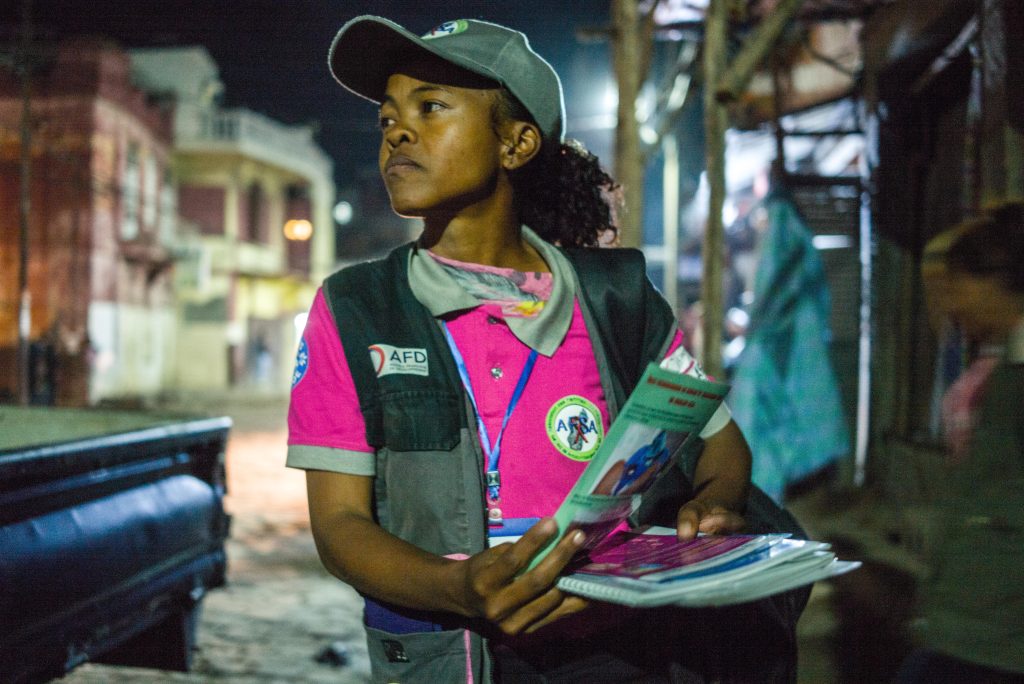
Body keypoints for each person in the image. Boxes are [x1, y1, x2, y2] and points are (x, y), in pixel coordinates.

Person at [287, 15, 799, 682]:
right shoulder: (355, 309)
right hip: (452, 656)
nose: (398, 132)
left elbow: (719, 444)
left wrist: (715, 504)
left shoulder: (616, 300)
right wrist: (460, 588)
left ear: (517, 142)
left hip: (620, 655)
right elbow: (341, 527)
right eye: (387, 120)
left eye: (431, 106)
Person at [897, 201, 1024, 683]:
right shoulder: (1004, 370)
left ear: (993, 280)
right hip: (976, 629)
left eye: (956, 286)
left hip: (995, 637)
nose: (950, 305)